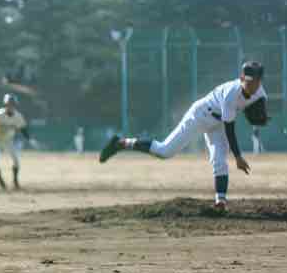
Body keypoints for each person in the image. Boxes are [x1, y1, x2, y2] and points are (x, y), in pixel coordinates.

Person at [99, 61, 268, 210]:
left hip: (218, 124)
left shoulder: (260, 93)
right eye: (249, 82)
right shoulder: (232, 94)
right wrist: (238, 157)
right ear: (241, 78)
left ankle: (220, 202)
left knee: (219, 160)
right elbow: (230, 128)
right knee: (164, 151)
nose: (253, 86)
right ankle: (121, 143)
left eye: (257, 82)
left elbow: (259, 110)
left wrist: (262, 117)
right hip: (200, 115)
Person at [0, 93, 30, 190]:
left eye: (12, 104)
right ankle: (1, 181)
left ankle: (15, 181)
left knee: (16, 162)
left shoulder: (18, 116)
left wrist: (28, 137)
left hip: (7, 141)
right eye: (8, 104)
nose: (10, 106)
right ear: (5, 105)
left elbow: (23, 128)